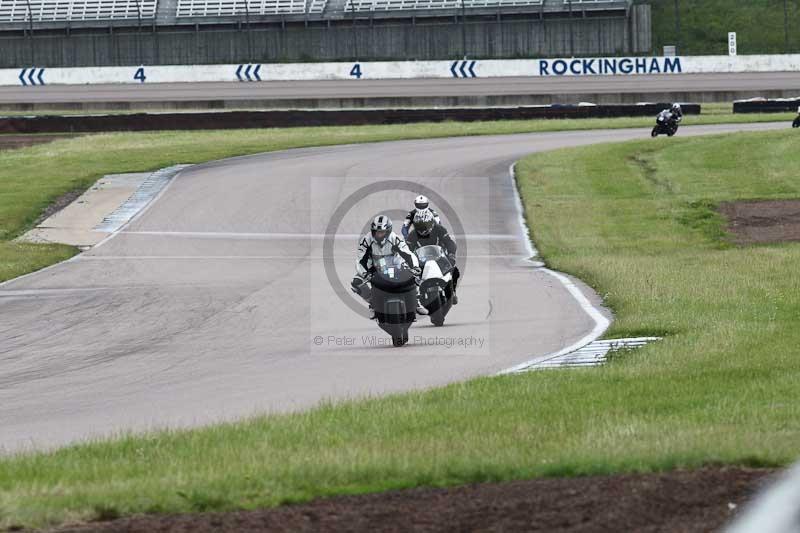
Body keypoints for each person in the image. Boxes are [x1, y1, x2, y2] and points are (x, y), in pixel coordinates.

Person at [351, 214, 426, 318]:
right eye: (376, 232)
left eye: (382, 232)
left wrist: (415, 266)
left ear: (388, 231)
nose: (378, 235)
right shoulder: (366, 240)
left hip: (395, 264)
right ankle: (373, 303)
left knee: (413, 276)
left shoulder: (395, 238)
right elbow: (360, 260)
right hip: (373, 267)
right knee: (356, 282)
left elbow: (408, 254)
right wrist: (365, 273)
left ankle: (415, 301)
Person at [405, 209, 460, 305]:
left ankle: (452, 291)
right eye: (419, 226)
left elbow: (450, 243)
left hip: (440, 258)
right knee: (409, 275)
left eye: (424, 226)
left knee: (454, 270)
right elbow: (407, 250)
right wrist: (407, 262)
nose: (422, 229)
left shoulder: (440, 229)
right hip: (421, 261)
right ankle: (414, 295)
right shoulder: (412, 235)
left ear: (431, 223)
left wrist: (451, 255)